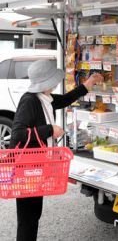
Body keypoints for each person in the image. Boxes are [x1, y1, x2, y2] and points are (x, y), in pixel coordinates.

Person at [10, 60, 103, 241]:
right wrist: (50, 130)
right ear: (47, 82)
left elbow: (66, 99)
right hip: (27, 169)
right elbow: (18, 133)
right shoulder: (29, 101)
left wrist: (87, 84)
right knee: (28, 218)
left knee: (33, 214)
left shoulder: (45, 99)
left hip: (35, 167)